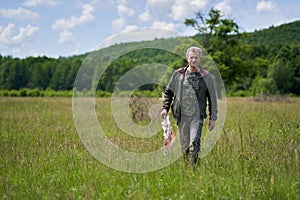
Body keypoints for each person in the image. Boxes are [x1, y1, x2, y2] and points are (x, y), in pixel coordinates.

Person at [160, 46, 218, 166]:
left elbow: (212, 99)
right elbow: (168, 92)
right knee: (185, 145)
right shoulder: (178, 74)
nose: (193, 60)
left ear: (200, 59)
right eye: (191, 58)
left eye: (196, 58)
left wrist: (213, 118)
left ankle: (195, 167)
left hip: (197, 117)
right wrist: (165, 108)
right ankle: (187, 166)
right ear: (187, 59)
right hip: (181, 116)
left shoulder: (206, 76)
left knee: (194, 142)